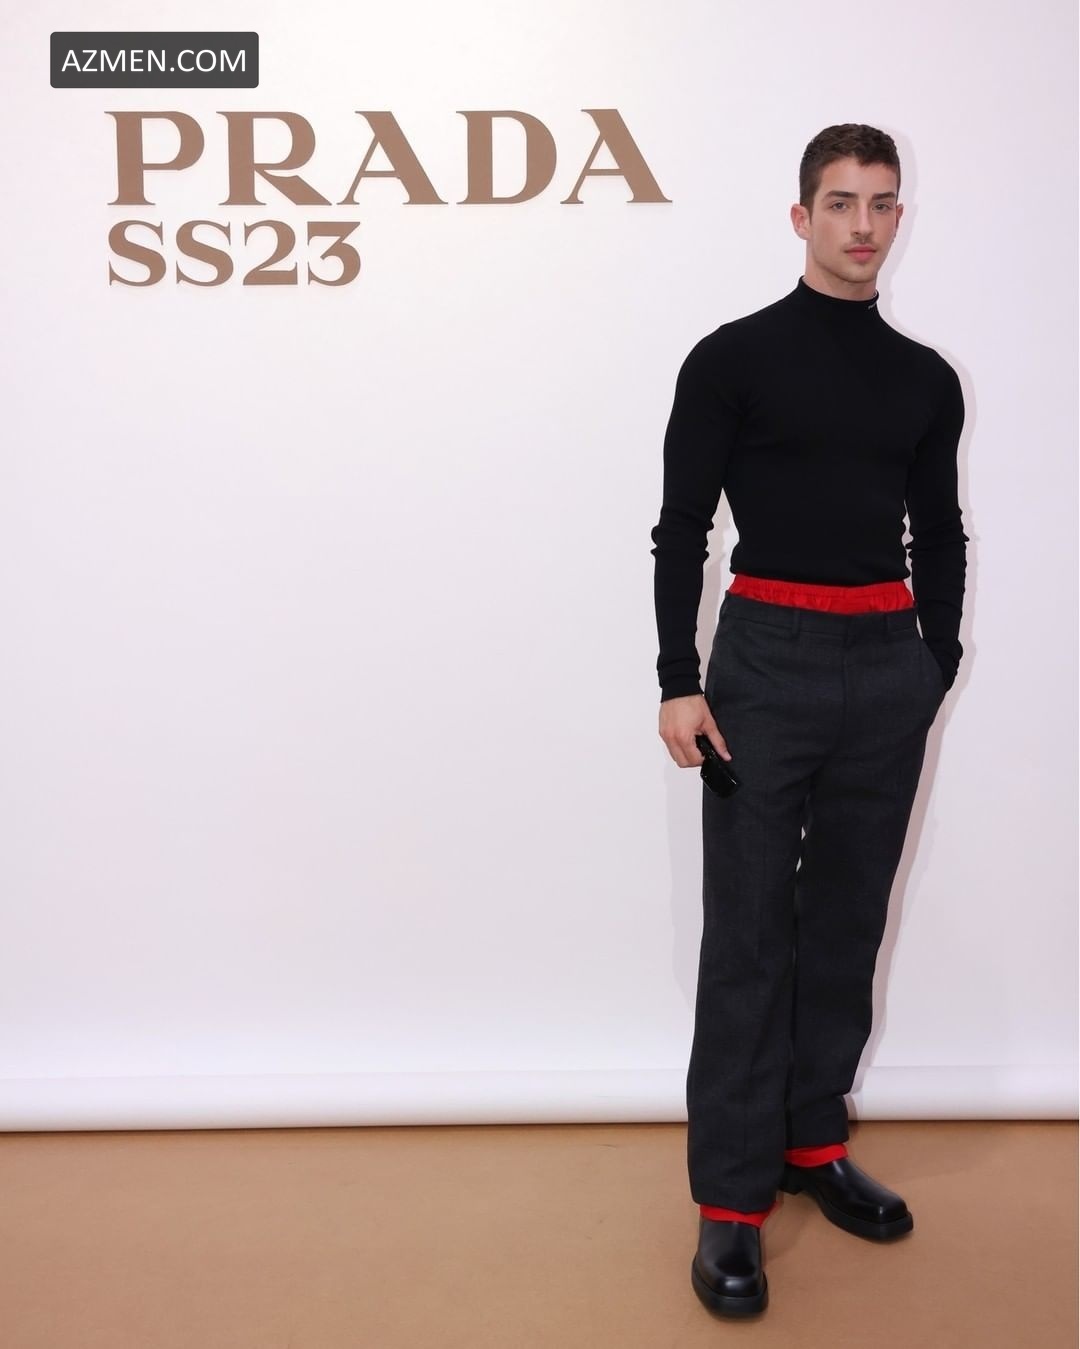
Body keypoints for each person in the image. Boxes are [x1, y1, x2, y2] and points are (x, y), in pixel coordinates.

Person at [649, 123, 968, 1318]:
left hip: (887, 665)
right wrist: (679, 676)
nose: (863, 224)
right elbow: (684, 526)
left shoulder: (925, 378)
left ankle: (811, 1140)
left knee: (846, 916)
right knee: (747, 931)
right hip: (763, 667)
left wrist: (933, 661)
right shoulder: (731, 358)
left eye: (882, 203)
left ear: (898, 218)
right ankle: (731, 1201)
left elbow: (939, 529)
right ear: (801, 217)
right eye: (841, 202)